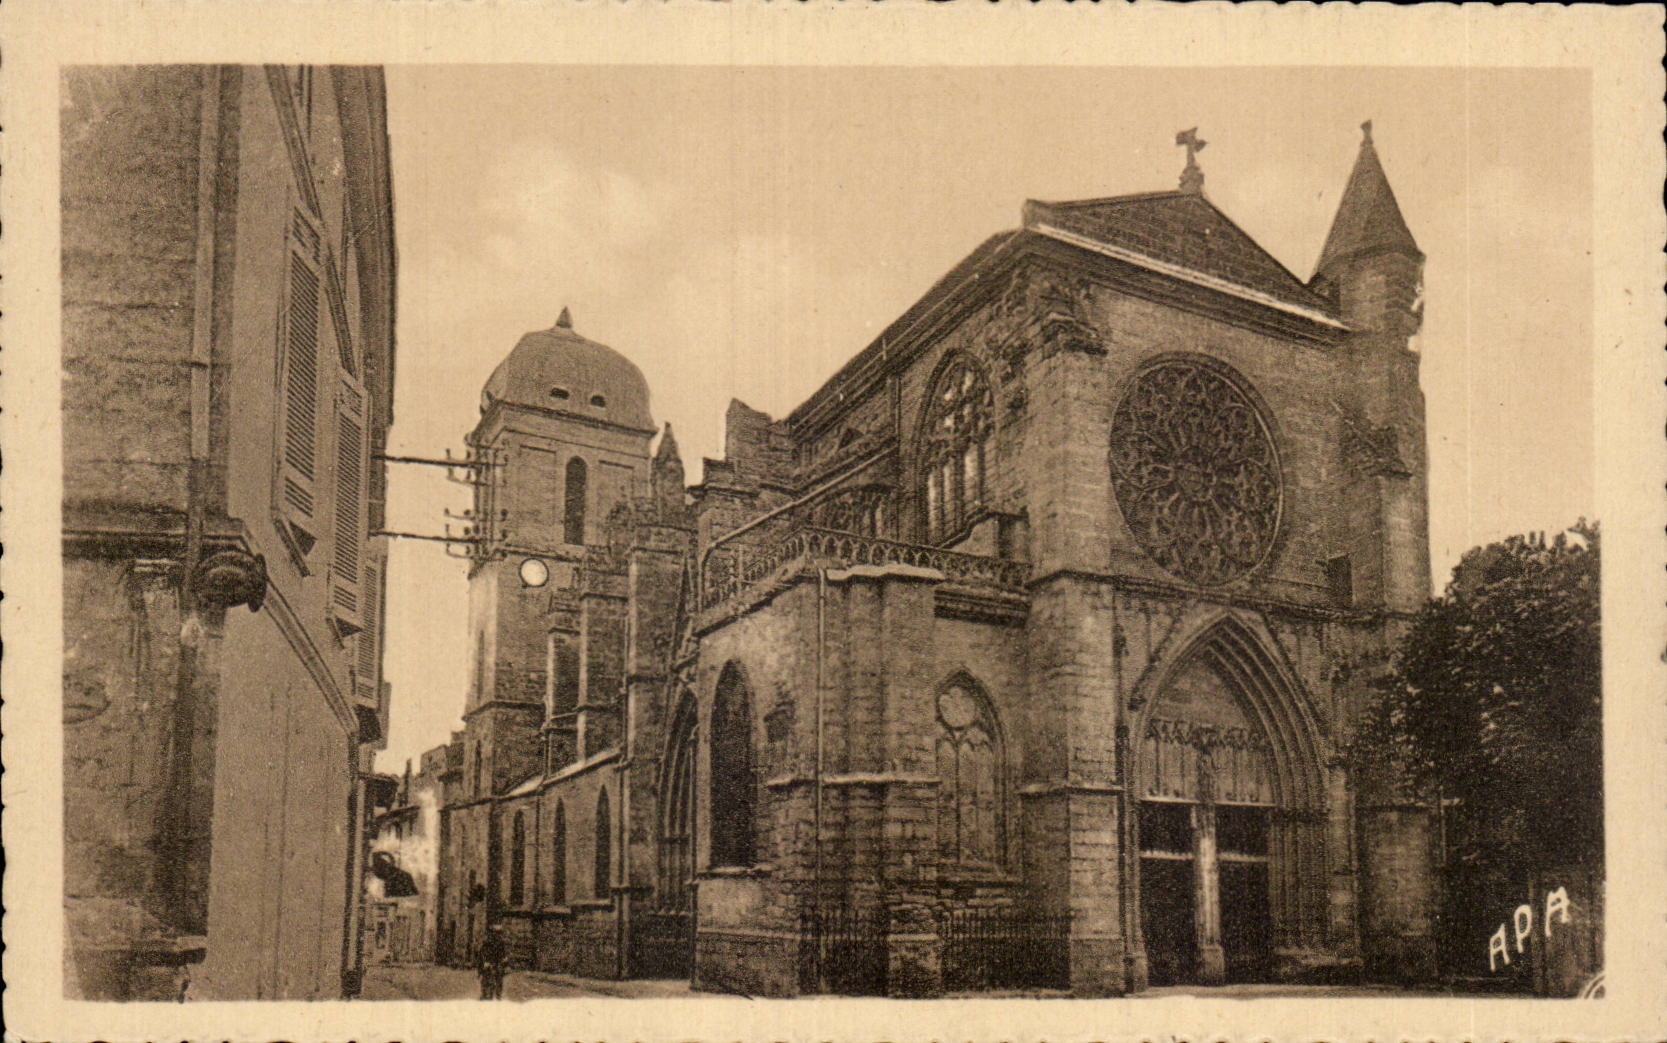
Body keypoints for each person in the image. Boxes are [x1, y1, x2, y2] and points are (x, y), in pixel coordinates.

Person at [477, 923, 507, 1000]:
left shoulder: (501, 943)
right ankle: (485, 996)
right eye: (496, 933)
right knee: (487, 983)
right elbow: (482, 954)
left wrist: (505, 960)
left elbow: (504, 954)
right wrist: (484, 963)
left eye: (499, 933)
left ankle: (497, 997)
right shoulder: (487, 943)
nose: (497, 935)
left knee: (498, 983)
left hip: (497, 965)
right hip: (488, 965)